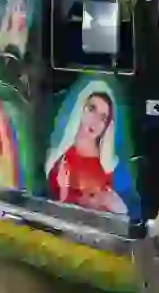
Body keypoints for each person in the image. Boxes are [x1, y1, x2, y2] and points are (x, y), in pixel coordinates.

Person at [45, 83, 128, 214]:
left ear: (106, 126)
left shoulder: (109, 165)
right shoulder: (59, 156)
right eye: (91, 109)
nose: (94, 120)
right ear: (80, 109)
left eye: (103, 118)